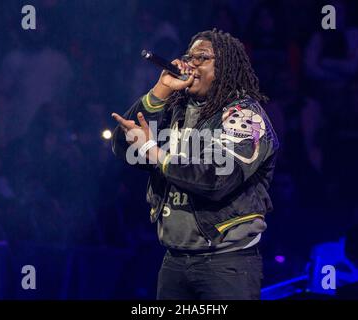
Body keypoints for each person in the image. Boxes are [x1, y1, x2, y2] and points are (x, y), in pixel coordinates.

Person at [111, 29, 279, 300]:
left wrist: (154, 152)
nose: (191, 64)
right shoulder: (176, 108)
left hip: (226, 265)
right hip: (174, 260)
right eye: (189, 57)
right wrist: (159, 92)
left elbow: (215, 180)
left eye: (202, 58)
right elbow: (124, 147)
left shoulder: (244, 116)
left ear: (224, 66)